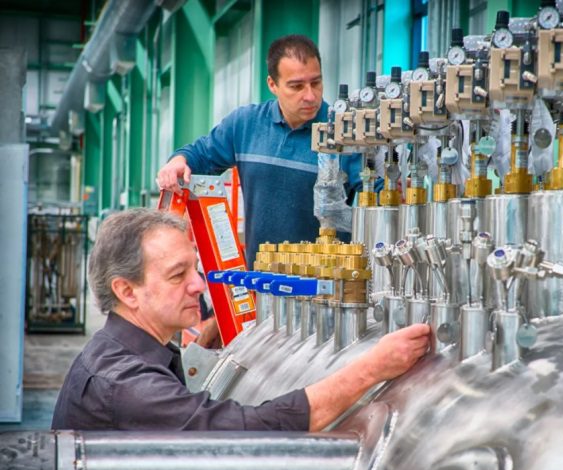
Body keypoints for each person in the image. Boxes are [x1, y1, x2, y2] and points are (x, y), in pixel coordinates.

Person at [51, 209, 430, 431]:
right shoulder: (127, 385)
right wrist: (371, 369)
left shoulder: (123, 352)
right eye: (177, 274)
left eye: (195, 270)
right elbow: (250, 431)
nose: (199, 285)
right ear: (126, 291)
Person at [156, 34, 361, 269]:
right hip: (261, 284)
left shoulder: (347, 133)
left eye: (316, 82)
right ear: (272, 84)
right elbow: (201, 154)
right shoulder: (246, 125)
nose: (310, 96)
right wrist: (178, 161)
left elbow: (376, 201)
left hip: (326, 288)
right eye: (296, 86)